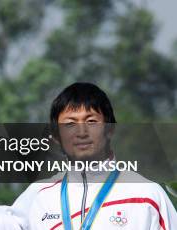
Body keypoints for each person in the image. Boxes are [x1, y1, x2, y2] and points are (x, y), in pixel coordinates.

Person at [12, 82, 177, 230]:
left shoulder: (147, 195)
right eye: (70, 124)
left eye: (91, 121)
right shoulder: (37, 197)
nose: (81, 132)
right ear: (56, 136)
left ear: (110, 129)